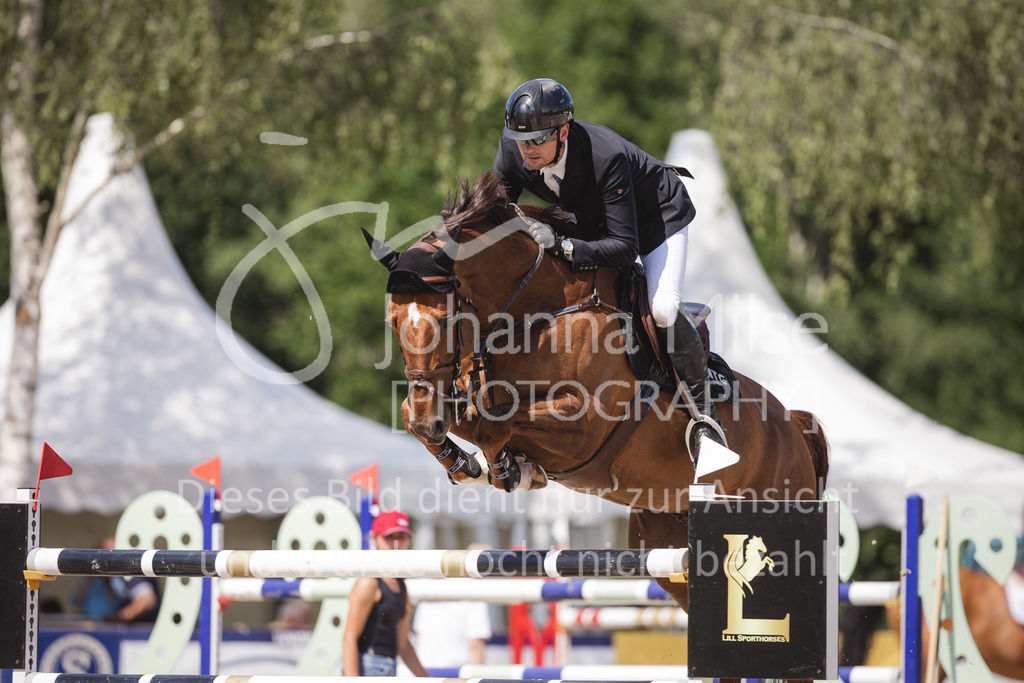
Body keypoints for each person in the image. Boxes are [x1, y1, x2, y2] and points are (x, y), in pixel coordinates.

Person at [493, 78, 724, 451]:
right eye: (521, 141)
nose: (527, 151)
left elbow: (622, 247)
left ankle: (706, 418)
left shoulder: (606, 155)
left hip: (654, 220)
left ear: (563, 131)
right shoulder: (511, 152)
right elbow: (493, 221)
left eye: (537, 141)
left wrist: (565, 246)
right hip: (591, 221)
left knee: (662, 308)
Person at [341, 510, 429, 677]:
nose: (396, 543)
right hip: (367, 666)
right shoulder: (369, 582)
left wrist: (428, 680)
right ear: (375, 539)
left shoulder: (400, 583)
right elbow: (349, 639)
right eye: (390, 536)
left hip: (390, 667)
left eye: (401, 536)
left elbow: (403, 645)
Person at [411, 544, 493, 668]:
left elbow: (418, 636)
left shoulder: (433, 589)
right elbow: (475, 645)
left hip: (423, 670)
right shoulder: (475, 595)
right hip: (455, 673)